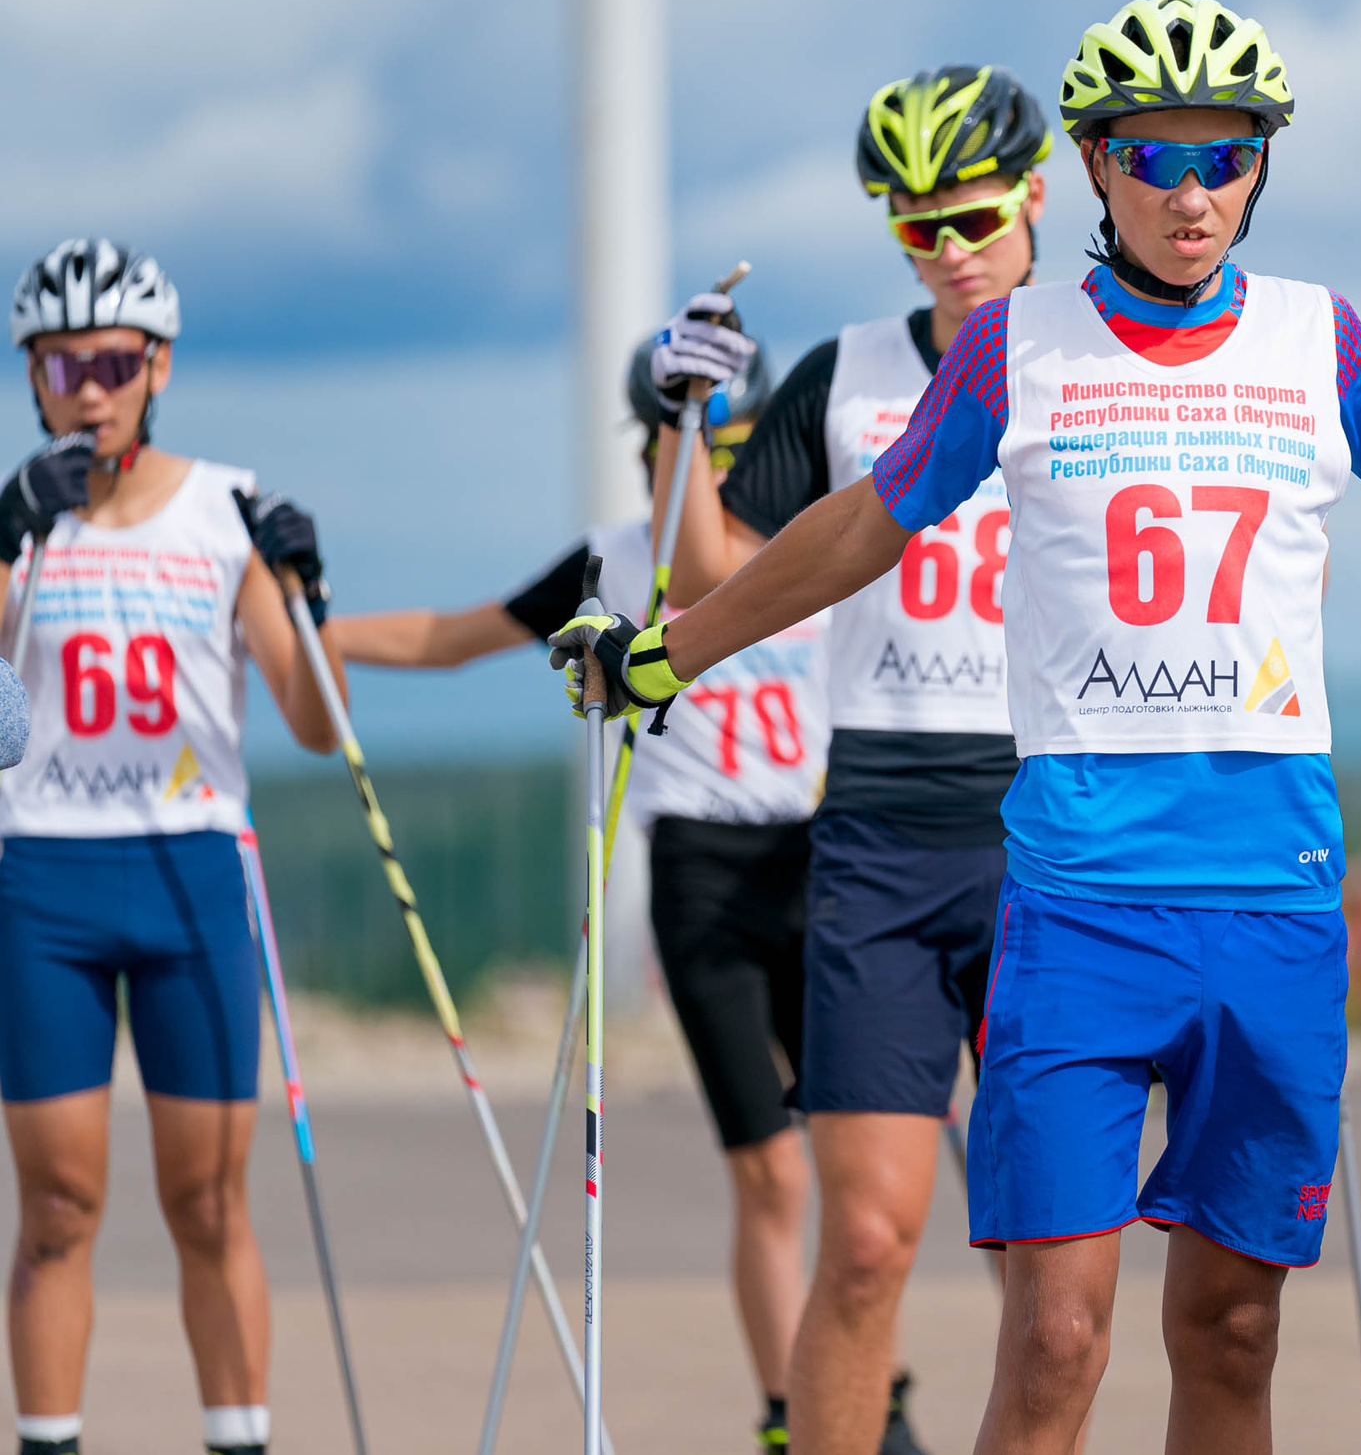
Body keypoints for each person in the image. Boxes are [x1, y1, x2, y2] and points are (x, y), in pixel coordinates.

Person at [556, 0, 1361, 1455]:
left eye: (1225, 158)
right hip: (1079, 903)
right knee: (1054, 1338)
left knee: (1233, 1333)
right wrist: (665, 655)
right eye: (1156, 159)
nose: (1192, 194)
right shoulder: (1017, 347)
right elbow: (863, 527)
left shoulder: (1316, 337)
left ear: (1260, 165)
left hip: (1270, 895)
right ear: (1097, 167)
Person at [642, 64, 1049, 1455]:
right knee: (868, 1243)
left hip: (1051, 833)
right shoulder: (844, 372)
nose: (948, 249)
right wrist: (679, 421)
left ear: (1037, 196)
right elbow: (712, 576)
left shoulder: (1093, 362)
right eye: (916, 225)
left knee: (1046, 1258)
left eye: (973, 217)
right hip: (879, 830)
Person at [331, 336, 827, 1452]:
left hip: (817, 859)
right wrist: (311, 634)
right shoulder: (612, 557)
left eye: (732, 449)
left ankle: (862, 1388)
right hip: (701, 871)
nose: (706, 473)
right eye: (679, 446)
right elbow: (453, 638)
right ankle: (788, 1414)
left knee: (857, 1161)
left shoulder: (811, 546)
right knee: (770, 1172)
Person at [0, 240, 350, 1455]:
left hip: (191, 869)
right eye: (61, 367)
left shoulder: (224, 511)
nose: (88, 391)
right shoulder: (19, 524)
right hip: (46, 875)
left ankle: (237, 1438)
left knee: (206, 1200)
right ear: (34, 379)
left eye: (111, 364)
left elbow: (314, 723)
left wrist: (309, 591)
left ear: (156, 369)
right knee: (58, 1205)